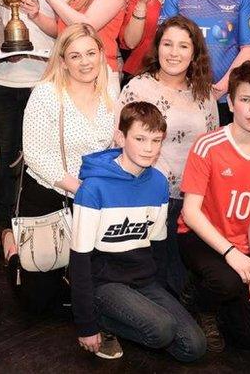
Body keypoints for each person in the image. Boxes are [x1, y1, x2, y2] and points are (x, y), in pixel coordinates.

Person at [71, 102, 207, 362]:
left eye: (156, 140)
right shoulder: (93, 189)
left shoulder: (157, 183)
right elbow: (79, 262)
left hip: (143, 281)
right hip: (104, 283)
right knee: (161, 329)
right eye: (140, 139)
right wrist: (86, 325)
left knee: (194, 347)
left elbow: (158, 248)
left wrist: (163, 295)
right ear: (121, 137)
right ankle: (103, 321)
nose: (149, 148)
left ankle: (143, 320)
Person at [2, 23, 118, 314]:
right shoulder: (46, 94)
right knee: (38, 303)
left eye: (91, 53)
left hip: (91, 198)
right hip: (49, 194)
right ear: (63, 61)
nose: (85, 62)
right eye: (75, 55)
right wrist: (79, 188)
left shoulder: (109, 92)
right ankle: (11, 247)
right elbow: (36, 155)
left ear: (101, 55)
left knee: (83, 292)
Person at [178, 60, 250, 353]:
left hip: (240, 244)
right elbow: (190, 213)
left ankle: (222, 298)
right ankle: (199, 303)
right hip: (200, 236)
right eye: (245, 99)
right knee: (225, 281)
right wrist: (232, 255)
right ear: (232, 103)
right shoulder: (208, 145)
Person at [117, 15, 218, 295]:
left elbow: (212, 146)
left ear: (195, 53)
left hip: (194, 200)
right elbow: (118, 141)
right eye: (168, 44)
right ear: (157, 47)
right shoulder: (138, 88)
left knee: (190, 275)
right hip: (149, 196)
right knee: (162, 277)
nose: (174, 53)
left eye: (183, 46)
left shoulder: (204, 95)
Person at [0, 0, 71, 244]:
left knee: (42, 156)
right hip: (5, 81)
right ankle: (5, 226)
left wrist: (36, 16)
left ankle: (37, 223)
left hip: (44, 82)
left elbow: (63, 29)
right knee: (6, 155)